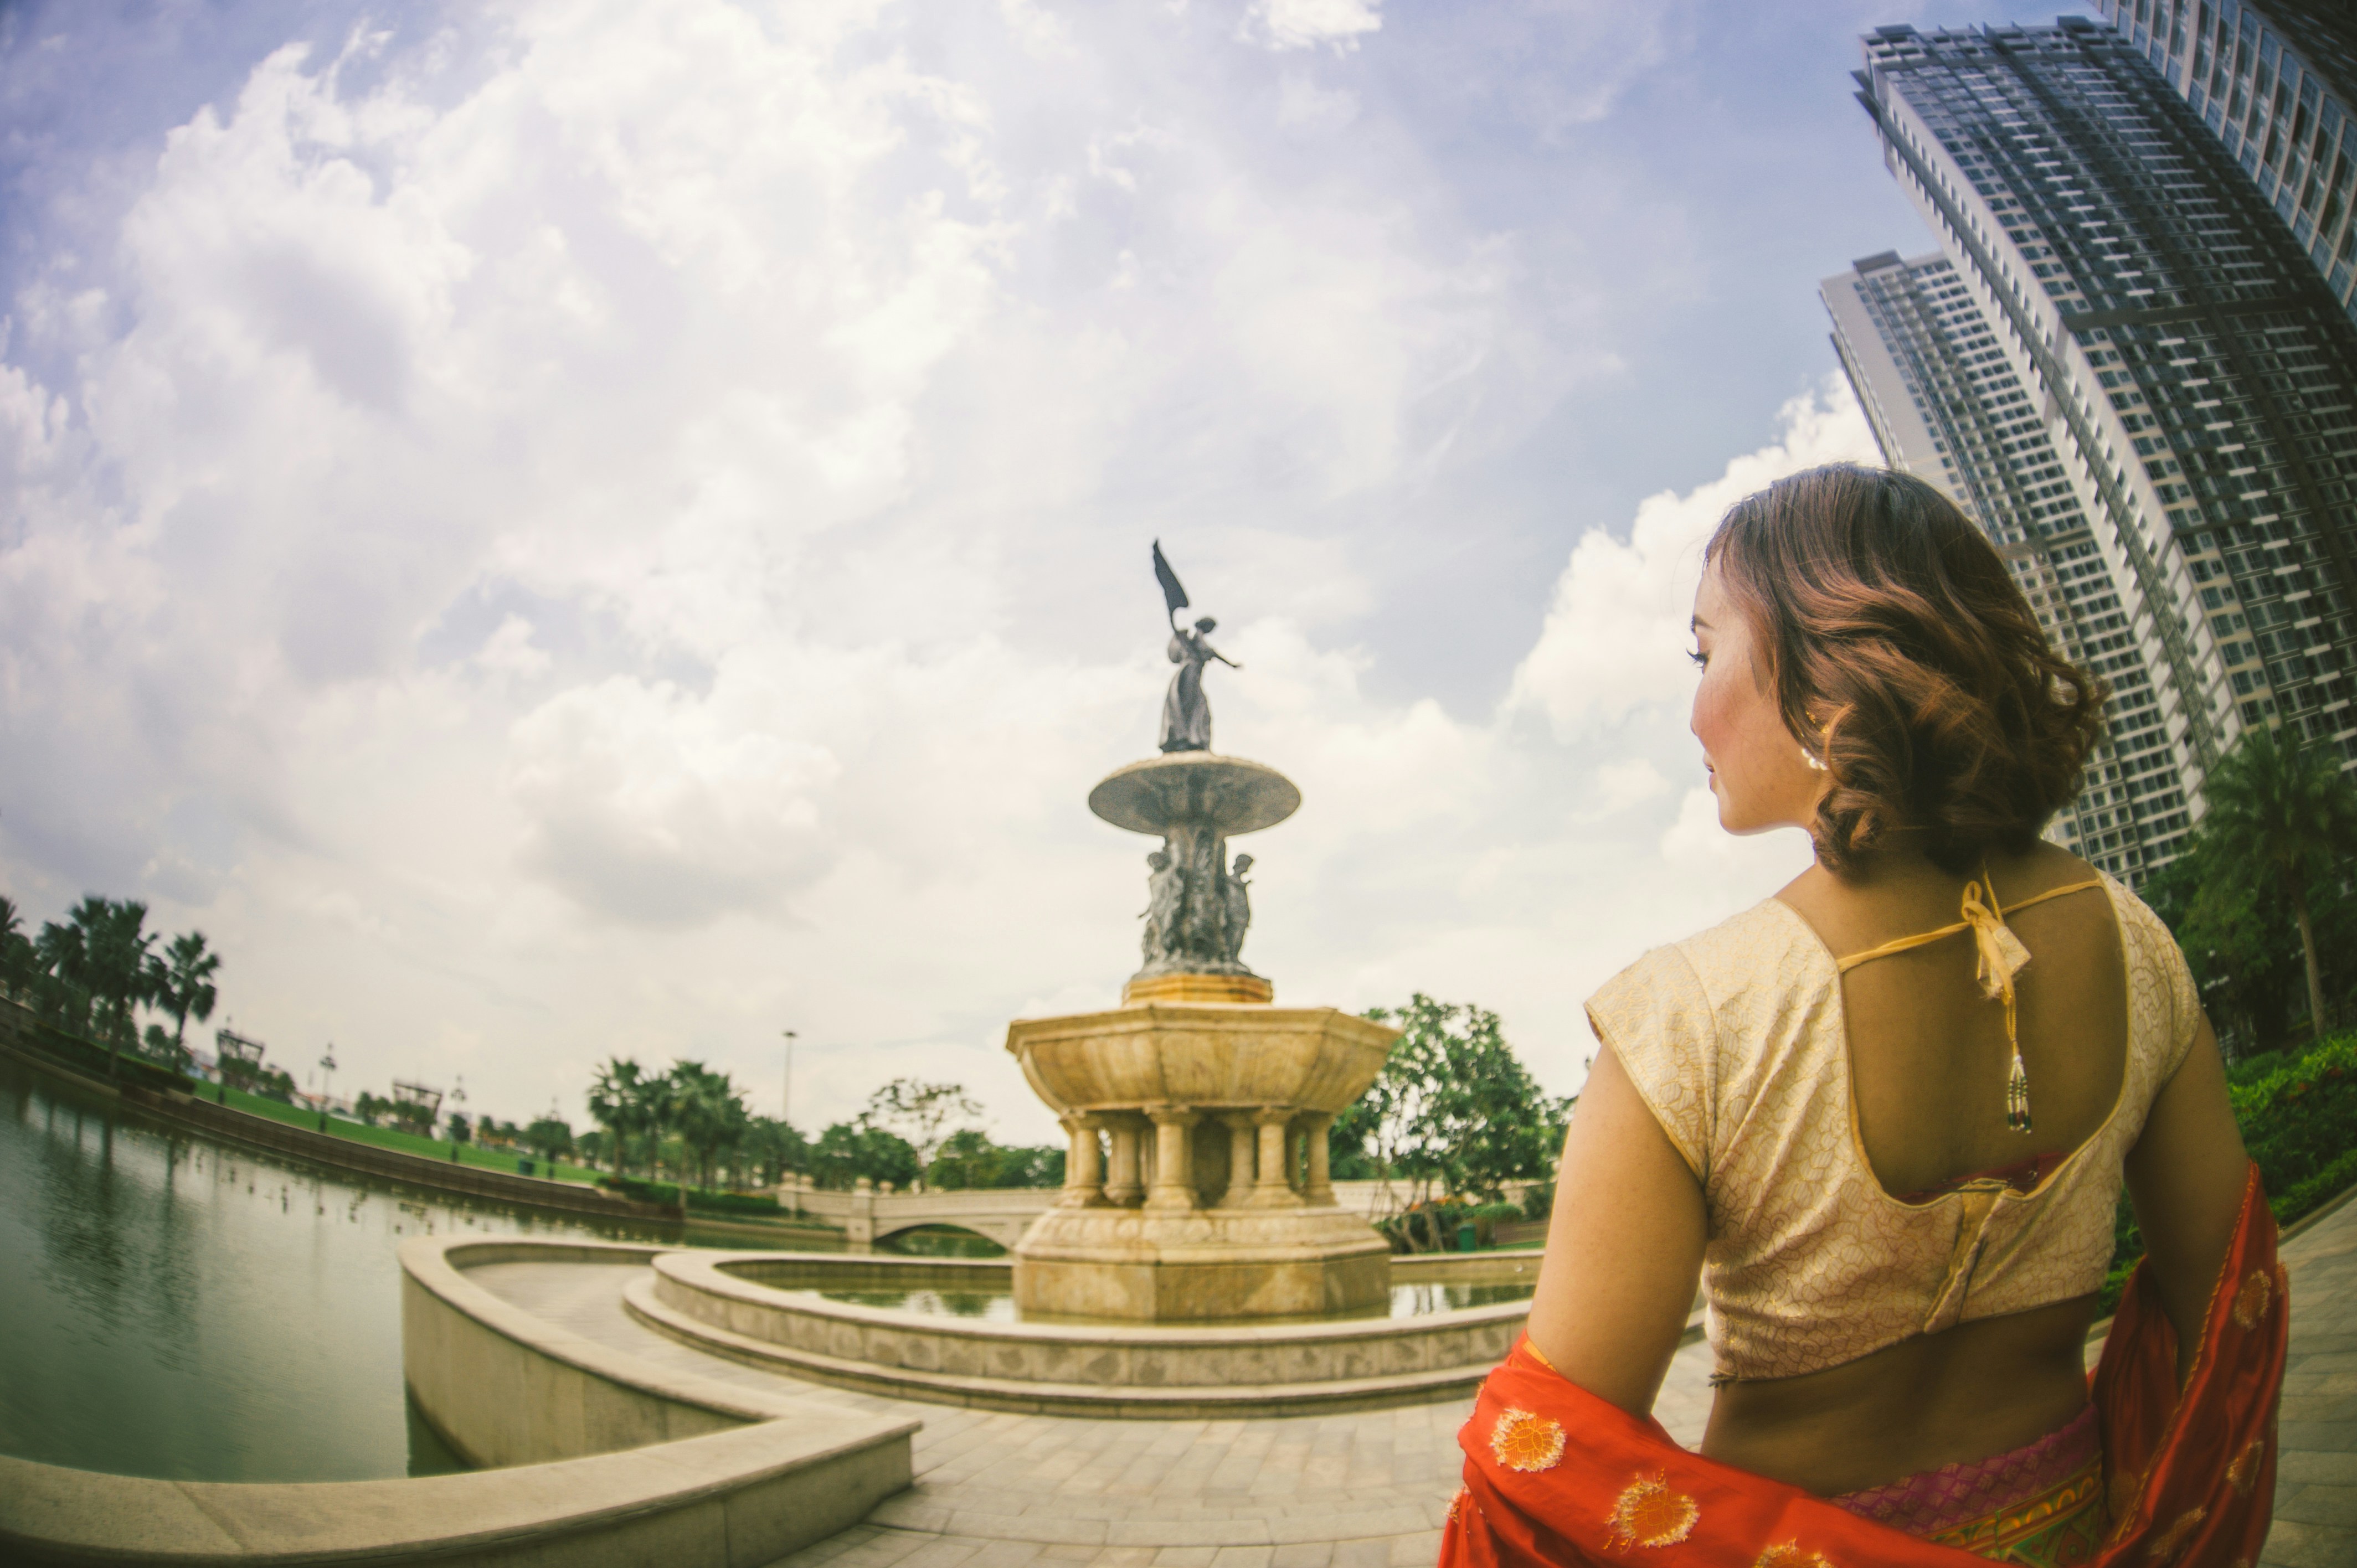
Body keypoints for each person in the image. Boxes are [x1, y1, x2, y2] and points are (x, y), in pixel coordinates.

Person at [1443, 466, 2286, 1567]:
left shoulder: (1687, 1017)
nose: (1691, 705)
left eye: (1704, 654)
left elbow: (1539, 1470)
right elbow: (2226, 1314)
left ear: (1828, 676)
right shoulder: (2134, 945)